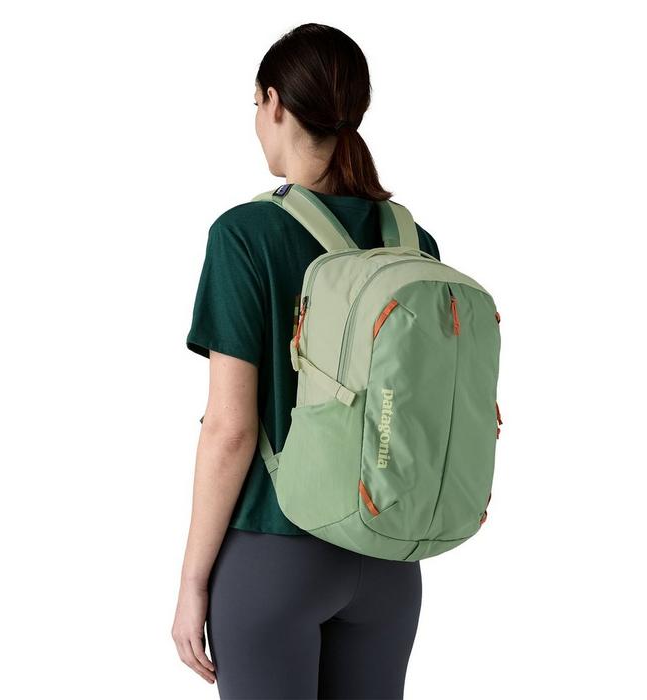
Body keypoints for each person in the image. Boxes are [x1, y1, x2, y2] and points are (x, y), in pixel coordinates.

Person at [172, 22, 441, 699]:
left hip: (274, 553)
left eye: (255, 104)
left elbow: (230, 430)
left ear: (274, 103)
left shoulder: (245, 235)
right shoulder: (412, 241)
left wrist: (192, 582)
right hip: (390, 558)